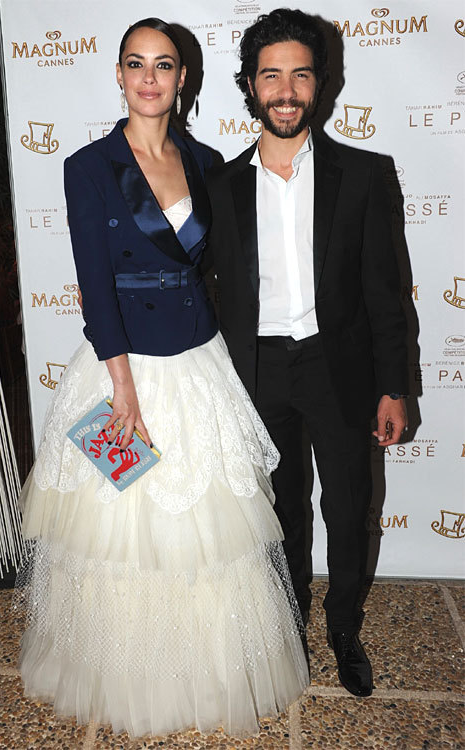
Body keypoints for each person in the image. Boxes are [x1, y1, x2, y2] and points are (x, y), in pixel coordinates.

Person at [15, 17, 309, 739]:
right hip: (124, 366)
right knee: (121, 537)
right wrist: (122, 389)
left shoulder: (208, 160)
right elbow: (94, 282)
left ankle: (208, 674)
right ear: (118, 75)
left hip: (199, 358)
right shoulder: (86, 166)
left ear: (183, 79)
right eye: (135, 64)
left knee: (208, 535)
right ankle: (126, 677)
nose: (149, 78)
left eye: (164, 65)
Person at [206, 8, 408, 698]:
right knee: (279, 514)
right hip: (256, 372)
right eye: (271, 75)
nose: (285, 90)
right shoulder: (219, 188)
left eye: (299, 74)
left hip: (339, 369)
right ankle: (286, 633)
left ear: (320, 84)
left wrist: (395, 387)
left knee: (348, 510)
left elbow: (386, 295)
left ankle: (342, 629)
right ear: (250, 86)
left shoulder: (363, 175)